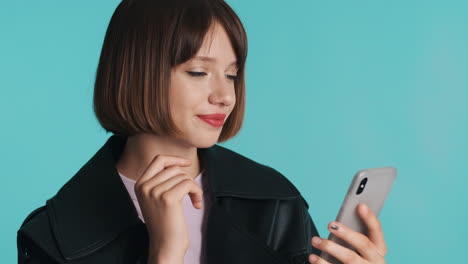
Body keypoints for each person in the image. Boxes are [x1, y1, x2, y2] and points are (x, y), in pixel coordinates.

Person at [17, 0, 388, 263]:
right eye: (198, 72)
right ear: (138, 73)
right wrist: (165, 253)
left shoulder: (275, 203)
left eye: (231, 74)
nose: (225, 96)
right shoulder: (53, 236)